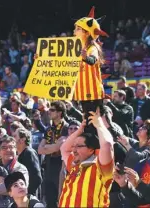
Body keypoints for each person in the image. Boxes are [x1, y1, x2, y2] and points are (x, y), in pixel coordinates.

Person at [59, 108, 114, 207]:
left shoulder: (99, 167)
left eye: (79, 146)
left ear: (91, 150)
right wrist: (80, 130)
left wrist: (99, 124)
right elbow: (64, 149)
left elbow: (107, 145)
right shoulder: (74, 164)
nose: (74, 150)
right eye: (73, 146)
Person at [71, 6, 108, 135]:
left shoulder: (93, 47)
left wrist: (85, 57)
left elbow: (92, 60)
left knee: (93, 129)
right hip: (83, 93)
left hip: (92, 94)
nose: (74, 31)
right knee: (88, 126)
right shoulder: (75, 47)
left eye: (78, 28)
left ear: (87, 32)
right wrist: (41, 58)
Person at [38, 101, 69, 208]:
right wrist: (54, 147)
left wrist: (49, 147)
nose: (49, 112)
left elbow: (59, 147)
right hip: (49, 166)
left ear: (60, 113)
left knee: (62, 199)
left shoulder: (67, 128)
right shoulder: (49, 129)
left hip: (61, 167)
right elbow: (40, 150)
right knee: (50, 200)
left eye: (52, 110)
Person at [13, 128, 42, 195]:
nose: (12, 139)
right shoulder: (20, 155)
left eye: (15, 136)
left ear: (23, 139)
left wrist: (26, 193)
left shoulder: (29, 153)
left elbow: (37, 178)